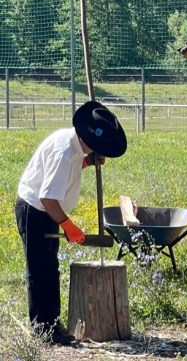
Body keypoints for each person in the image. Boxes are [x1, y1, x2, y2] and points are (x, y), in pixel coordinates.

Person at [15, 100, 128, 345]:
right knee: (40, 271)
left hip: (48, 212)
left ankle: (52, 323)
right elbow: (47, 198)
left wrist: (88, 162)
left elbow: (70, 169)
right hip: (35, 210)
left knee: (50, 268)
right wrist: (68, 225)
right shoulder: (64, 153)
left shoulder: (74, 145)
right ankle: (43, 330)